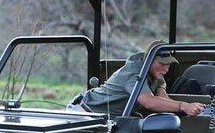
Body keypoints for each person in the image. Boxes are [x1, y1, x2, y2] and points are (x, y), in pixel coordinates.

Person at [77, 47, 206, 117]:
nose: (166, 69)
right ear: (148, 61)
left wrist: (160, 86)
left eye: (169, 65)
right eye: (162, 64)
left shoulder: (151, 73)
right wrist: (183, 106)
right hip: (87, 113)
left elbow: (162, 101)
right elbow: (149, 102)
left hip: (107, 117)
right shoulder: (134, 73)